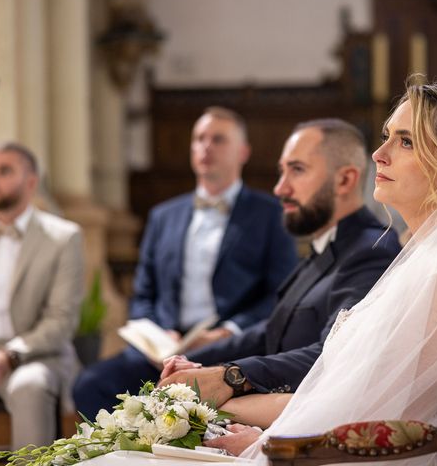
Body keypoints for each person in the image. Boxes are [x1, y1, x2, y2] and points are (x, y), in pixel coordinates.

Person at [180, 79, 437, 464]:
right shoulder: (424, 259)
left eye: (406, 141)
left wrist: (252, 433)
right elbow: (338, 397)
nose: (379, 154)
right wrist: (205, 399)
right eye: (387, 137)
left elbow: (376, 419)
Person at [73, 107, 298, 419]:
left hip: (231, 349)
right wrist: (158, 334)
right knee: (90, 384)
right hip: (163, 349)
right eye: (199, 139)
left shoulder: (271, 213)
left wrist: (229, 331)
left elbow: (281, 292)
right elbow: (143, 293)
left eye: (218, 139)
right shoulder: (163, 215)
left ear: (242, 152)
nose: (206, 147)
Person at [158, 118, 401, 404]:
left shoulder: (371, 249)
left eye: (297, 170)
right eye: (281, 171)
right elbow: (274, 330)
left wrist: (229, 376)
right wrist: (193, 361)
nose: (279, 188)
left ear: (345, 180)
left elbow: (332, 354)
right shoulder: (328, 245)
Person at [0, 141, 84, 448]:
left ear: (31, 182)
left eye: (4, 170)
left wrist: (8, 355)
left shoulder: (64, 237)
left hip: (34, 357)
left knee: (30, 386)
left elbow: (61, 320)